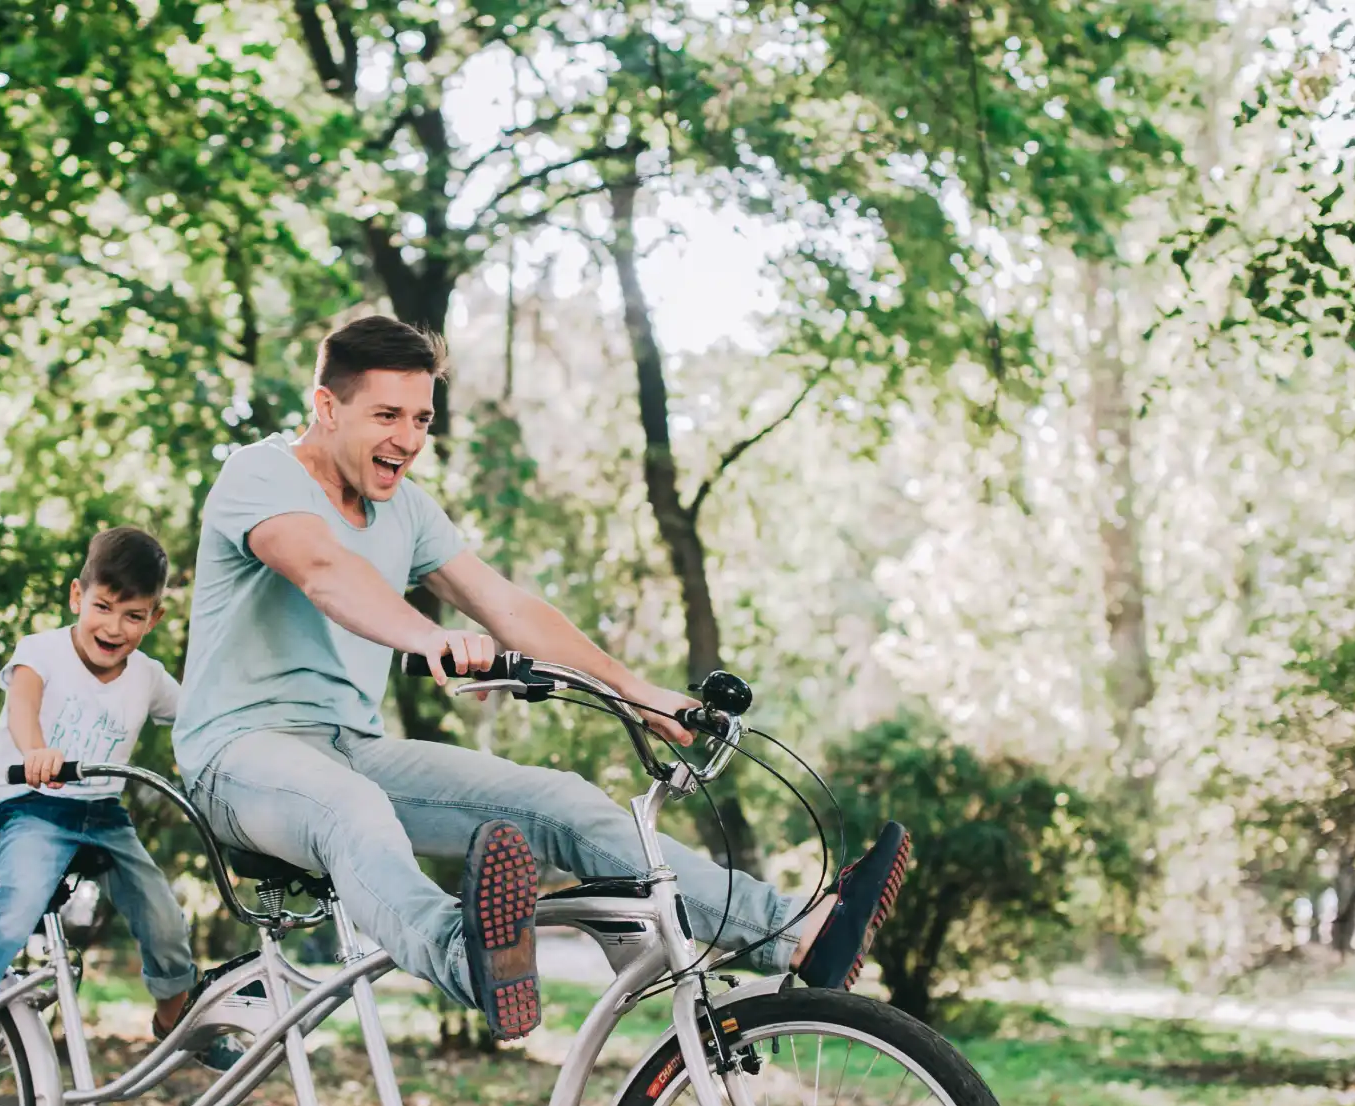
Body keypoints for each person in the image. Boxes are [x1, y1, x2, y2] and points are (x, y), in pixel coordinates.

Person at [174, 315, 913, 1042]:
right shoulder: (261, 472)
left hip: (349, 747)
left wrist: (641, 693)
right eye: (387, 414)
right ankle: (472, 961)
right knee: (351, 806)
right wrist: (430, 636)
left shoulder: (408, 511)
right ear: (326, 406)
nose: (408, 439)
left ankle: (791, 932)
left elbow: (507, 606)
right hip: (236, 755)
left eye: (423, 418)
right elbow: (323, 570)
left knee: (559, 801)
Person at [0, 527, 199, 1081]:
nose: (114, 628)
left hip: (103, 815)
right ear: (76, 597)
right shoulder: (40, 652)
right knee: (18, 899)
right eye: (103, 607)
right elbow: (24, 705)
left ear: (154, 619)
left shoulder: (148, 677)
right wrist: (35, 749)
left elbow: (197, 719)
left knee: (161, 911)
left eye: (133, 616)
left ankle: (175, 1019)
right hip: (31, 804)